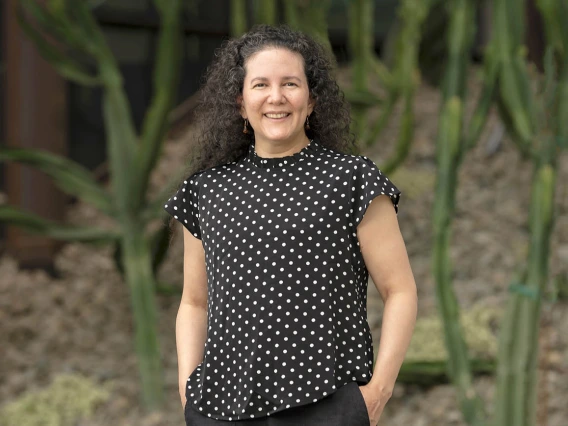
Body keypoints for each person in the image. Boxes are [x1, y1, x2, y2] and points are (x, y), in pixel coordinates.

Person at [164, 24, 417, 426]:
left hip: (328, 406)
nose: (276, 97)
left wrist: (376, 394)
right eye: (260, 84)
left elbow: (400, 290)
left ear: (313, 100)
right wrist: (188, 390)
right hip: (221, 409)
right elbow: (195, 302)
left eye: (291, 84)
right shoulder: (206, 190)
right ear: (240, 100)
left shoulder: (352, 180)